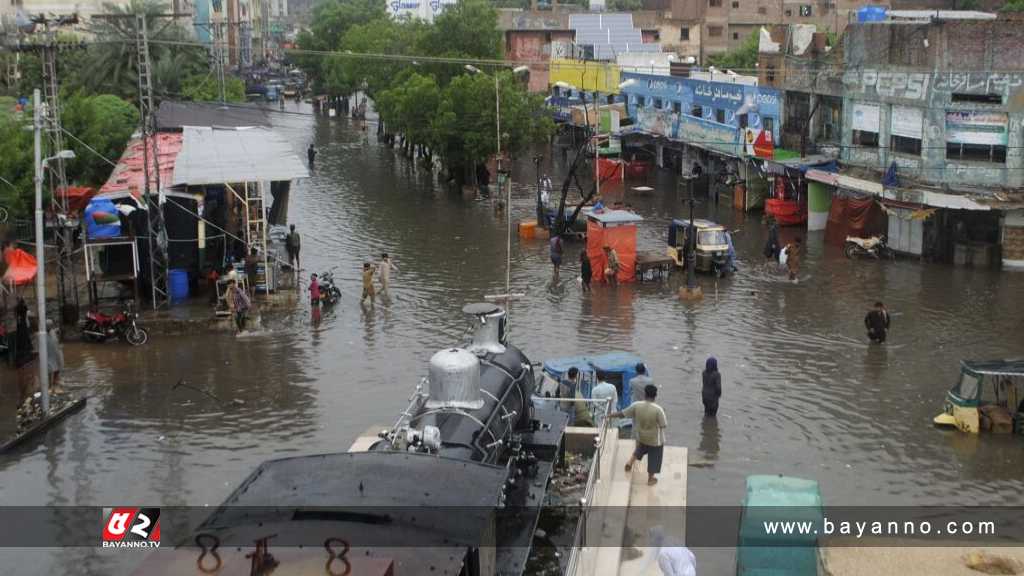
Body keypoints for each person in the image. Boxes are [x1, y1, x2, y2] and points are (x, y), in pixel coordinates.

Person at [611, 384, 667, 486]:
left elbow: (622, 414)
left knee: (641, 449)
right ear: (655, 395)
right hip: (655, 440)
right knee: (654, 458)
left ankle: (629, 463)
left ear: (645, 394)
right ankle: (651, 479)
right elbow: (663, 425)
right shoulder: (658, 409)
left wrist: (609, 415)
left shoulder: (636, 405)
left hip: (641, 436)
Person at [45, 319, 64, 395]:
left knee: (57, 369)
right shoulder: (43, 334)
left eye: (50, 326)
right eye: (48, 326)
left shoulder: (53, 332)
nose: (49, 327)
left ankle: (55, 385)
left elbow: (58, 340)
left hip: (55, 353)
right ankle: (49, 386)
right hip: (48, 355)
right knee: (49, 370)